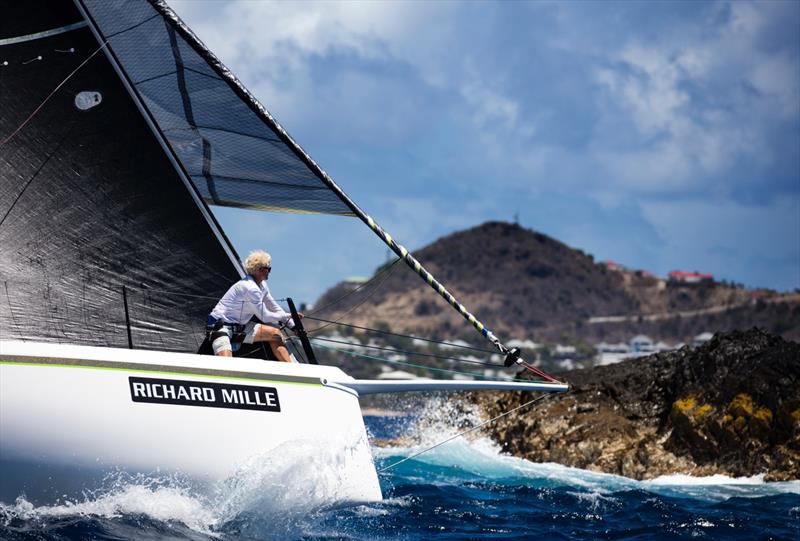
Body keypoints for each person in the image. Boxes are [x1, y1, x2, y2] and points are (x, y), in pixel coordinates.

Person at [207, 250, 299, 362]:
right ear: (260, 270)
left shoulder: (262, 285)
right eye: (268, 269)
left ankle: (291, 369)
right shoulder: (250, 288)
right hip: (220, 327)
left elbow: (274, 307)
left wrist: (293, 326)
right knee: (227, 364)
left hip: (240, 327)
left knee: (276, 334)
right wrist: (290, 315)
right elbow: (264, 316)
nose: (269, 271)